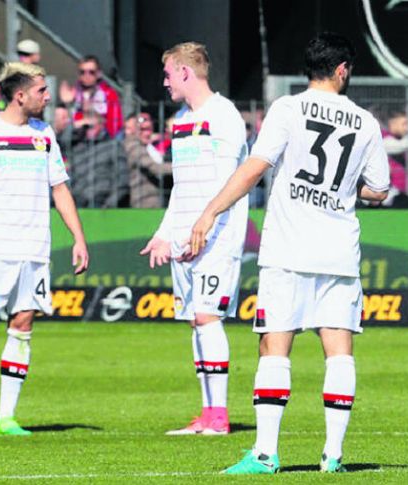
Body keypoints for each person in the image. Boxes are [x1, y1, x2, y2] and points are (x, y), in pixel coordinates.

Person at [189, 32, 389, 474]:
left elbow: (254, 168)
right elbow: (379, 189)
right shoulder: (366, 122)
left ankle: (265, 453)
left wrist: (210, 211)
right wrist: (344, 188)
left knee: (274, 346)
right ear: (342, 70)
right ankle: (333, 456)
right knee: (339, 352)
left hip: (287, 249)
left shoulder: (287, 108)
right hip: (339, 252)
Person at [0, 62, 89, 438]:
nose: (47, 96)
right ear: (20, 95)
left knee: (23, 325)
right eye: (42, 90)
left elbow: (59, 188)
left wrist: (78, 237)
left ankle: (6, 418)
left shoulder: (44, 134)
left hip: (34, 248)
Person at [139, 41, 249, 436]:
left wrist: (200, 230)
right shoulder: (182, 121)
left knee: (207, 316)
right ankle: (206, 413)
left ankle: (219, 416)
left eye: (168, 73)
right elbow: (182, 188)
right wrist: (165, 233)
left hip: (216, 236)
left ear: (185, 72)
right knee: (194, 321)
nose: (165, 82)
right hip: (185, 238)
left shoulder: (224, 115)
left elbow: (227, 183)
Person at [59, 55, 124, 139]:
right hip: (76, 137)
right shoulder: (75, 91)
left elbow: (114, 124)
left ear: (98, 73)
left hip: (104, 139)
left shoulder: (108, 93)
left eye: (91, 72)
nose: (87, 76)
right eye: (82, 72)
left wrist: (97, 123)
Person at [125, 113, 173, 208]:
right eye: (142, 130)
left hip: (157, 198)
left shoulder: (149, 146)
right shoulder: (133, 146)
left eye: (149, 129)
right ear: (133, 130)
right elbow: (154, 168)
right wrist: (182, 166)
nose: (147, 133)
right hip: (144, 201)